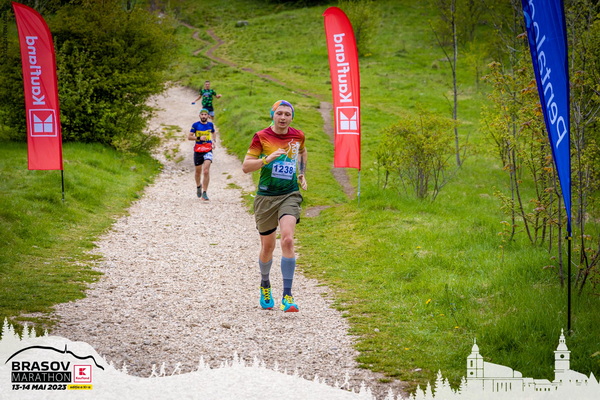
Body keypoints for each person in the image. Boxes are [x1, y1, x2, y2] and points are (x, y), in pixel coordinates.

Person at [242, 100, 308, 312]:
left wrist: (301, 172)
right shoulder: (261, 136)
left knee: (287, 239)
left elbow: (302, 151)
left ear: (292, 117)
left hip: (289, 194)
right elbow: (246, 167)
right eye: (279, 113)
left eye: (287, 114)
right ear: (272, 115)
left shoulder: (298, 136)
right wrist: (266, 159)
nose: (283, 117)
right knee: (268, 247)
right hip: (266, 197)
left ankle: (287, 296)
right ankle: (265, 284)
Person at [188, 109, 216, 201]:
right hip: (198, 150)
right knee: (198, 172)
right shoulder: (195, 125)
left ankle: (205, 192)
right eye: (202, 114)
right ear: (199, 116)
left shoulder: (210, 125)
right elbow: (189, 137)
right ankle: (198, 186)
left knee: (206, 171)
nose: (204, 116)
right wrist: (199, 138)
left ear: (208, 116)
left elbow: (213, 132)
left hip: (208, 150)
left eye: (205, 114)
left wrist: (214, 141)